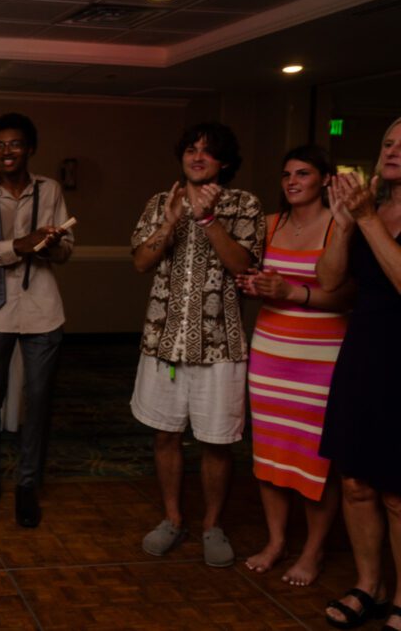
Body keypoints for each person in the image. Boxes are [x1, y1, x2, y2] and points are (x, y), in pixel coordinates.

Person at [129, 122, 264, 567]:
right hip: (162, 342)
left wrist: (207, 220)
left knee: (216, 441)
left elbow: (243, 266)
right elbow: (142, 262)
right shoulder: (159, 202)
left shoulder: (244, 204)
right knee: (165, 435)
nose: (197, 157)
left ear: (224, 161)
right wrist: (170, 222)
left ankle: (212, 524)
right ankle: (172, 517)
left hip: (219, 345)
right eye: (191, 149)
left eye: (208, 151)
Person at [235, 145, 350, 586]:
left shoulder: (340, 225)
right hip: (270, 354)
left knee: (312, 460)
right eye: (286, 174)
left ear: (324, 179)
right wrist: (255, 284)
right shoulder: (270, 224)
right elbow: (255, 275)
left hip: (322, 358)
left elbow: (344, 293)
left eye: (303, 173)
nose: (292, 182)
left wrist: (289, 291)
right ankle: (277, 540)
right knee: (270, 455)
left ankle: (313, 551)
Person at [0, 112, 73, 528]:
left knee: (38, 403)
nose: (8, 151)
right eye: (0, 145)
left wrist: (48, 247)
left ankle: (27, 485)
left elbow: (66, 251)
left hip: (42, 309)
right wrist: (14, 247)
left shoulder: (50, 189)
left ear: (30, 149)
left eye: (16, 144)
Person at [316, 117, 401, 631]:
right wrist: (346, 222)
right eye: (388, 141)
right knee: (355, 482)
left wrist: (367, 219)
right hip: (363, 352)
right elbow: (329, 280)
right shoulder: (373, 207)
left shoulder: (378, 213)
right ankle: (369, 584)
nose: (392, 150)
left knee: (397, 489)